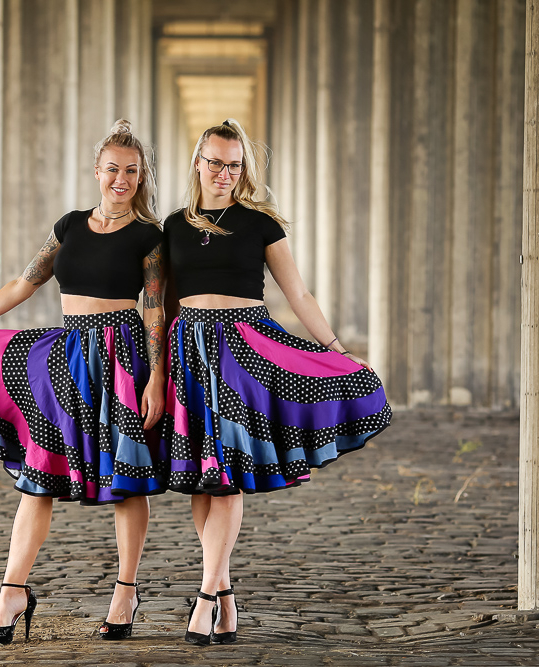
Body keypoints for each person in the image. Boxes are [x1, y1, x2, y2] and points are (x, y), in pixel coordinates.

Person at [0, 120, 166, 644]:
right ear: (96, 171)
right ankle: (12, 590)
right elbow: (24, 282)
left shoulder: (151, 237)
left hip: (123, 363)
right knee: (39, 473)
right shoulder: (71, 225)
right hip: (66, 359)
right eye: (111, 170)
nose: (120, 180)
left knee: (126, 480)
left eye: (130, 171)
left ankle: (125, 591)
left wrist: (156, 378)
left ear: (141, 176)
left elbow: (154, 312)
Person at [160, 119, 392, 646]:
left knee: (228, 474)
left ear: (244, 169)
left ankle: (203, 595)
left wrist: (336, 349)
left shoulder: (261, 224)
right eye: (215, 161)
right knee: (201, 475)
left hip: (244, 351)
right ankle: (223, 592)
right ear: (198, 161)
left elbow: (299, 295)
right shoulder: (171, 227)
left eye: (234, 164)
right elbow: (163, 300)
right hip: (188, 351)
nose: (223, 172)